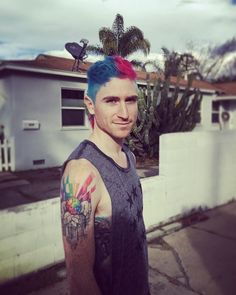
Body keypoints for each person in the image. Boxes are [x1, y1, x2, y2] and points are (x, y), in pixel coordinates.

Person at [60, 55, 150, 295]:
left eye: (130, 100)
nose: (124, 112)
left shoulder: (128, 155)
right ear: (90, 104)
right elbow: (79, 280)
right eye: (111, 101)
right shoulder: (82, 172)